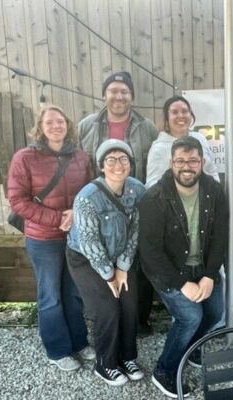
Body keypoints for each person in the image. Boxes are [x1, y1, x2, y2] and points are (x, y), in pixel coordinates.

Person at [139, 136, 228, 398]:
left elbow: (220, 236)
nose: (186, 166)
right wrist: (181, 283)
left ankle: (190, 347)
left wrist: (210, 275)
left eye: (192, 160)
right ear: (171, 163)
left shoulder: (214, 190)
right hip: (169, 271)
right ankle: (165, 370)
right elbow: (150, 251)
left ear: (202, 162)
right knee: (191, 317)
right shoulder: (154, 197)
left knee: (214, 314)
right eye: (180, 161)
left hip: (203, 268)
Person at [7, 105, 94, 371]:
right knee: (50, 296)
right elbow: (17, 201)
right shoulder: (25, 158)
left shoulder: (81, 157)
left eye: (60, 121)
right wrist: (58, 218)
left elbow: (91, 191)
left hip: (75, 236)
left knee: (74, 292)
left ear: (67, 125)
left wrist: (77, 215)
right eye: (49, 122)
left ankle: (79, 342)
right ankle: (57, 350)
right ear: (40, 127)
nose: (56, 126)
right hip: (43, 239)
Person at [78, 71, 159, 334]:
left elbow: (153, 166)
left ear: (132, 97)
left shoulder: (146, 127)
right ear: (104, 95)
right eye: (113, 91)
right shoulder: (87, 125)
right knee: (101, 260)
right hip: (98, 208)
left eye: (124, 91)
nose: (118, 96)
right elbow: (80, 167)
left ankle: (139, 319)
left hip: (134, 204)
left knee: (138, 264)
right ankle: (106, 319)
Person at [66, 139, 146, 386]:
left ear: (130, 164)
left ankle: (127, 357)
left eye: (123, 159)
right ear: (101, 166)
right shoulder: (87, 197)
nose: (118, 165)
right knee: (107, 310)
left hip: (121, 257)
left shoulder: (137, 190)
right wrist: (109, 275)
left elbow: (135, 230)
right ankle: (106, 363)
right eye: (111, 160)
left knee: (130, 306)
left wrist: (122, 267)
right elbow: (90, 242)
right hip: (86, 259)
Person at [145, 95, 220, 187]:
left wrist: (216, 194)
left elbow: (211, 170)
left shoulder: (200, 138)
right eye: (174, 112)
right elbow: (152, 184)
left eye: (184, 111)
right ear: (167, 118)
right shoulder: (158, 148)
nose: (180, 116)